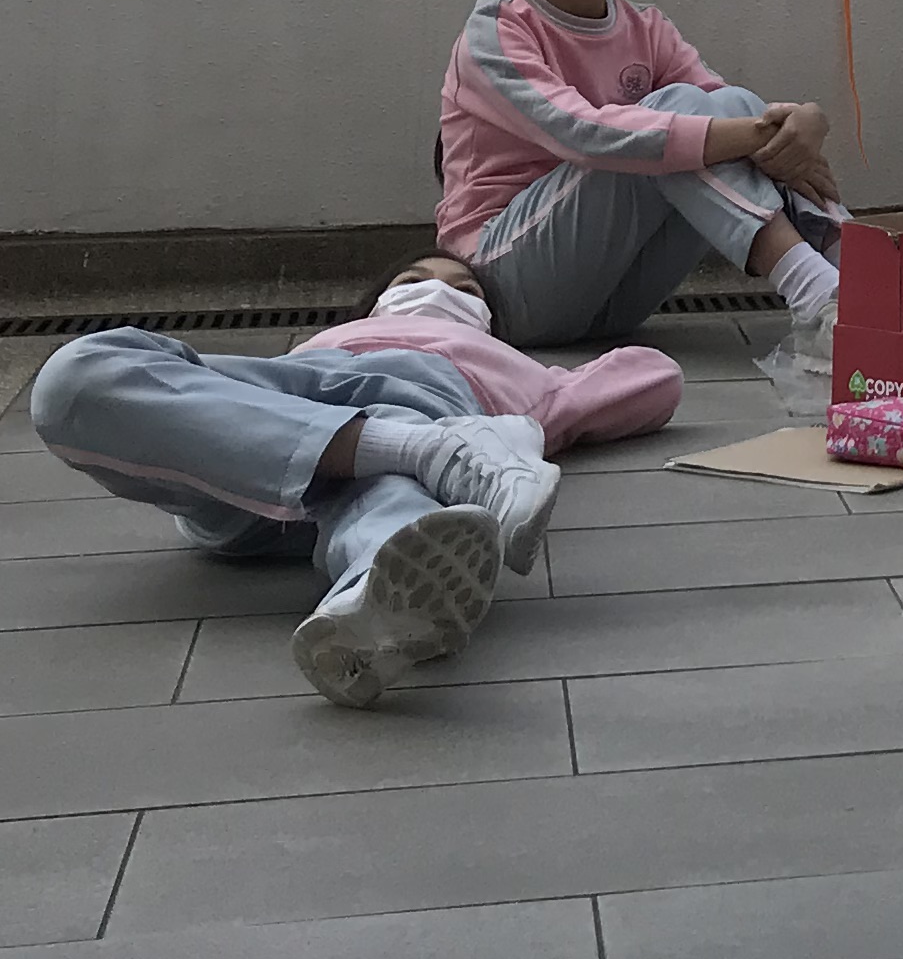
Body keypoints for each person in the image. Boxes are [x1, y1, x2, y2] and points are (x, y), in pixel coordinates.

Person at [25, 254, 681, 708]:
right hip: (264, 439)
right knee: (75, 375)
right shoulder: (319, 344)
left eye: (467, 290)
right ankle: (433, 453)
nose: (434, 291)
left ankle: (371, 603)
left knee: (394, 502)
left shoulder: (520, 371)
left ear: (493, 324)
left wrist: (551, 385)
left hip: (413, 414)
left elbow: (653, 379)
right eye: (413, 277)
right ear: (376, 303)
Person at [439, 0, 849, 349]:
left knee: (727, 106)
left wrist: (805, 124)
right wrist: (760, 134)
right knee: (681, 117)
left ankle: (864, 277)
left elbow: (727, 110)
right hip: (505, 282)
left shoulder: (646, 27)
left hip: (614, 299)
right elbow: (583, 133)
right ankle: (822, 293)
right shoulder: (497, 29)